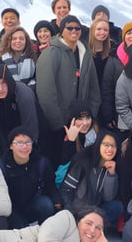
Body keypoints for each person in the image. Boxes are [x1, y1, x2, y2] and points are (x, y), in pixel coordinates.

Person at [35, 15, 101, 161]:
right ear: (61, 31)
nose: (74, 31)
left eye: (77, 28)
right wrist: (58, 124)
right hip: (60, 125)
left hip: (83, 122)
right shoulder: (51, 53)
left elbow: (94, 88)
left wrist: (90, 116)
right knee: (61, 163)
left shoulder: (85, 53)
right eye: (69, 28)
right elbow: (46, 93)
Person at [1, 127, 62, 228]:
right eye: (19, 143)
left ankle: (46, 233)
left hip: (33, 203)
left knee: (46, 205)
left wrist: (57, 200)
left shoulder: (41, 162)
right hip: (12, 208)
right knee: (22, 230)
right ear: (11, 146)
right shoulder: (2, 166)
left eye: (28, 142)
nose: (24, 146)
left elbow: (50, 185)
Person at [60, 131, 123, 227]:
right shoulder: (83, 163)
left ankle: (96, 228)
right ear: (98, 145)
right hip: (77, 212)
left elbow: (108, 198)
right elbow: (66, 190)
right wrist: (70, 212)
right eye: (106, 145)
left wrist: (111, 175)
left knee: (117, 206)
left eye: (113, 146)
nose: (110, 149)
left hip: (94, 211)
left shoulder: (111, 166)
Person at [0, 64, 40, 155]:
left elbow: (31, 128)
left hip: (29, 142)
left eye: (3, 82)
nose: (0, 88)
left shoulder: (24, 94)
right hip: (4, 145)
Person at [100, 22, 132, 131]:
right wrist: (108, 116)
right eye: (129, 33)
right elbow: (107, 89)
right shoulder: (114, 58)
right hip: (119, 114)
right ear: (124, 37)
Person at [89, 17, 115, 92]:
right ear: (92, 30)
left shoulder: (112, 52)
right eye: (99, 29)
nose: (102, 32)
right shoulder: (84, 51)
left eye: (105, 30)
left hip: (106, 93)